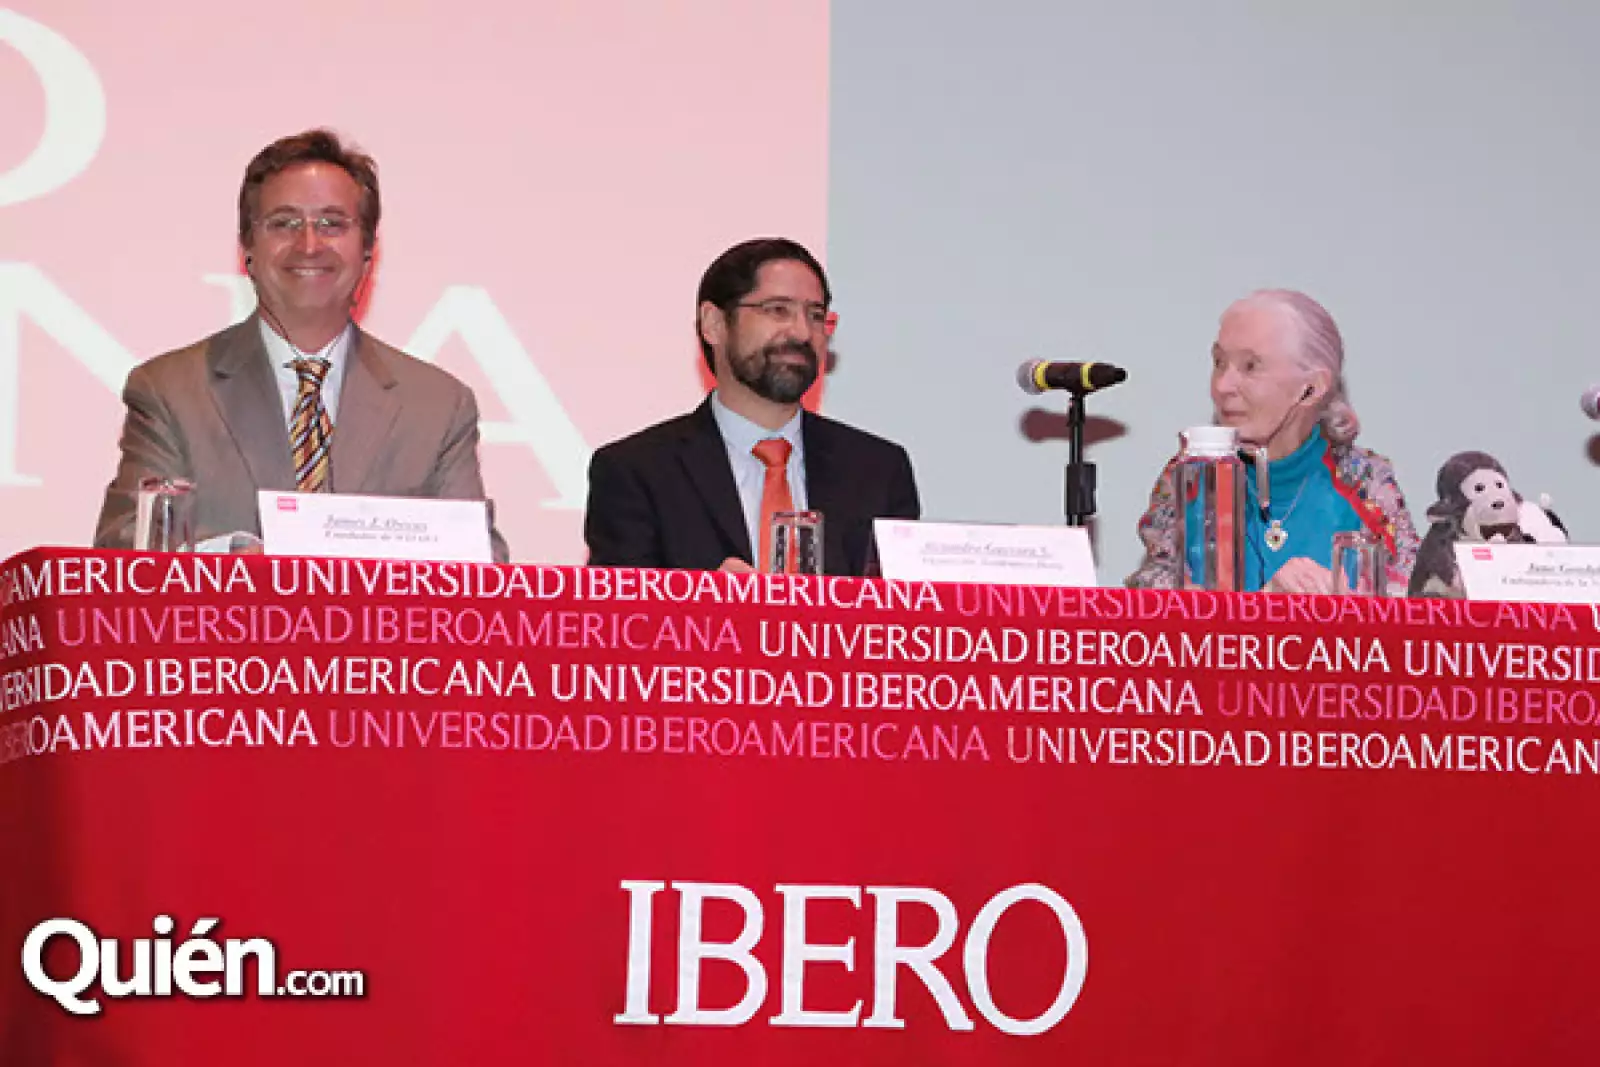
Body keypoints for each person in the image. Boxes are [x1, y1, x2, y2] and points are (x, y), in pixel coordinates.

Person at [93, 128, 508, 562]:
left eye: (332, 223)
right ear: (247, 248)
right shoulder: (169, 391)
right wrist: (244, 560)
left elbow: (480, 573)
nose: (309, 245)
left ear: (367, 250)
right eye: (284, 223)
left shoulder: (438, 406)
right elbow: (126, 552)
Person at [584, 237, 919, 575]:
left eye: (816, 316)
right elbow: (621, 621)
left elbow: (902, 622)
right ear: (714, 324)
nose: (802, 332)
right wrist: (707, 610)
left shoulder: (878, 471)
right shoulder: (637, 473)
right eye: (777, 310)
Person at [1126, 289, 1418, 594]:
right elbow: (1149, 597)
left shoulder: (1366, 481)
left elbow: (1418, 602)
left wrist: (1348, 607)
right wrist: (1265, 609)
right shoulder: (1191, 476)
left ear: (1312, 388)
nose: (1223, 386)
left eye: (1250, 366)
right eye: (1219, 363)